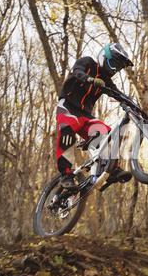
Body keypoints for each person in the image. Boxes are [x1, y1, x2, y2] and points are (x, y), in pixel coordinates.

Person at [56, 43, 133, 192]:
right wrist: (90, 80)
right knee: (67, 130)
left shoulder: (107, 81)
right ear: (104, 57)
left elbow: (119, 95)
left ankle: (111, 169)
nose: (114, 69)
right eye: (113, 64)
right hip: (68, 106)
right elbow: (77, 71)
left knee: (108, 134)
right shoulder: (88, 62)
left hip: (85, 115)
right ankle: (66, 176)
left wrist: (133, 105)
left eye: (117, 68)